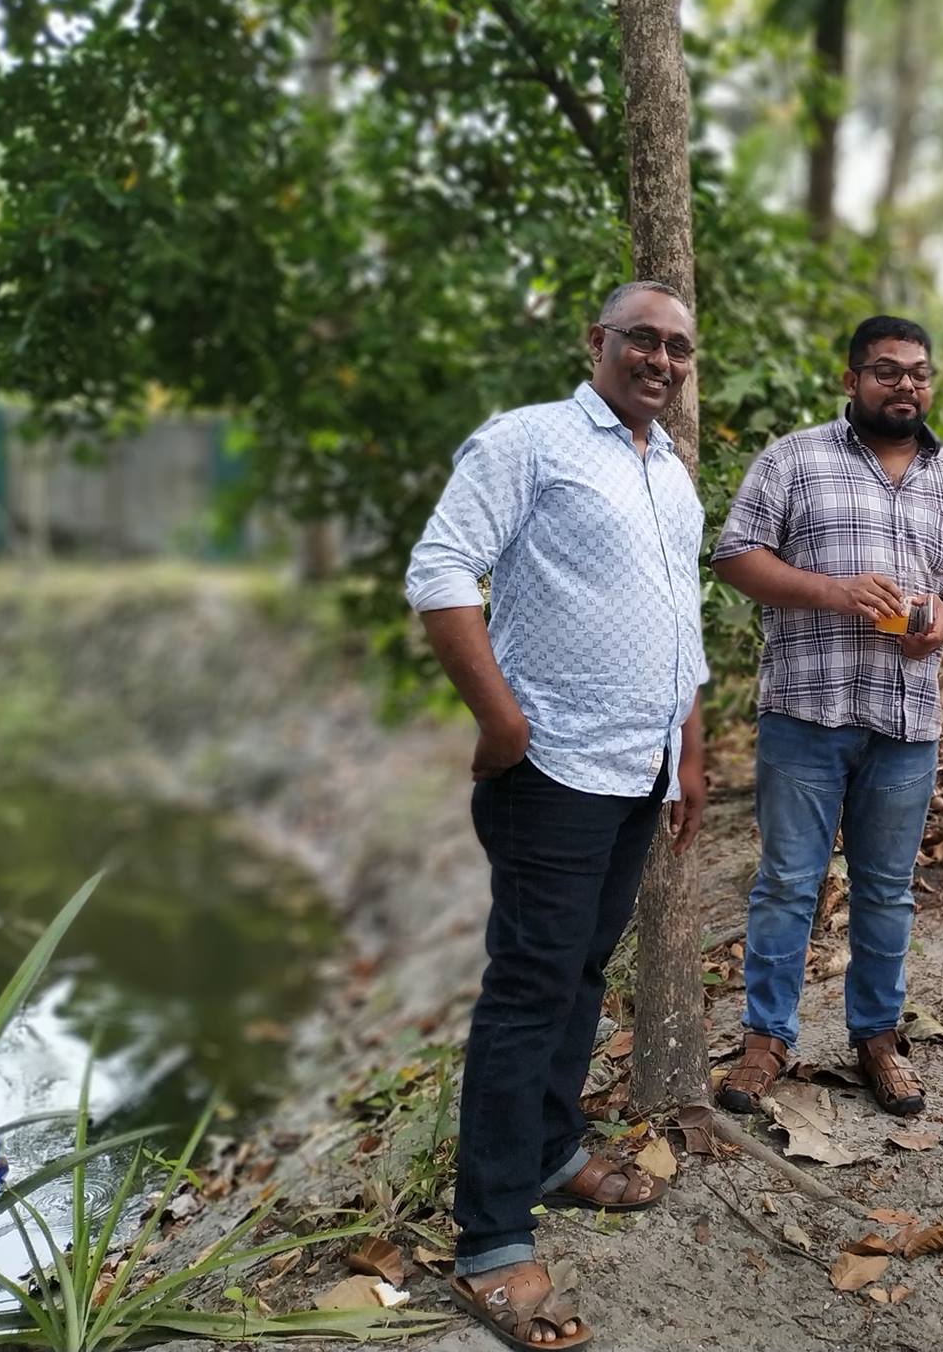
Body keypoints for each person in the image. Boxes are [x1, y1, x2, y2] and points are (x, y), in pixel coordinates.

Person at [405, 281, 708, 1350]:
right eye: (642, 340)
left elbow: (681, 627)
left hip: (634, 773)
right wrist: (502, 726)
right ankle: (488, 1236)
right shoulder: (528, 441)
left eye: (676, 347)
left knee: (580, 970)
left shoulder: (668, 472)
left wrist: (687, 757)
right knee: (528, 988)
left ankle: (549, 1148)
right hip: (554, 775)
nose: (660, 361)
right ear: (597, 343)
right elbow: (439, 570)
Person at [711, 315, 943, 1118]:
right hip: (807, 707)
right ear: (850, 381)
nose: (904, 384)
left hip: (906, 720)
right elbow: (736, 556)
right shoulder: (795, 459)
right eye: (885, 371)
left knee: (886, 890)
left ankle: (876, 1037)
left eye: (917, 372)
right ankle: (767, 1038)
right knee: (786, 885)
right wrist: (835, 591)